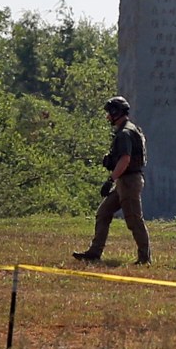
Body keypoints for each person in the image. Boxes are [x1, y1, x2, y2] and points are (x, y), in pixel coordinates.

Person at [72, 96, 152, 265]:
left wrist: (110, 179)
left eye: (109, 113)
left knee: (134, 220)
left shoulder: (124, 133)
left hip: (128, 182)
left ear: (116, 112)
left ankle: (144, 258)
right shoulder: (129, 129)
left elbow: (125, 159)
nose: (107, 116)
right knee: (103, 213)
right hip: (125, 180)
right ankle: (94, 252)